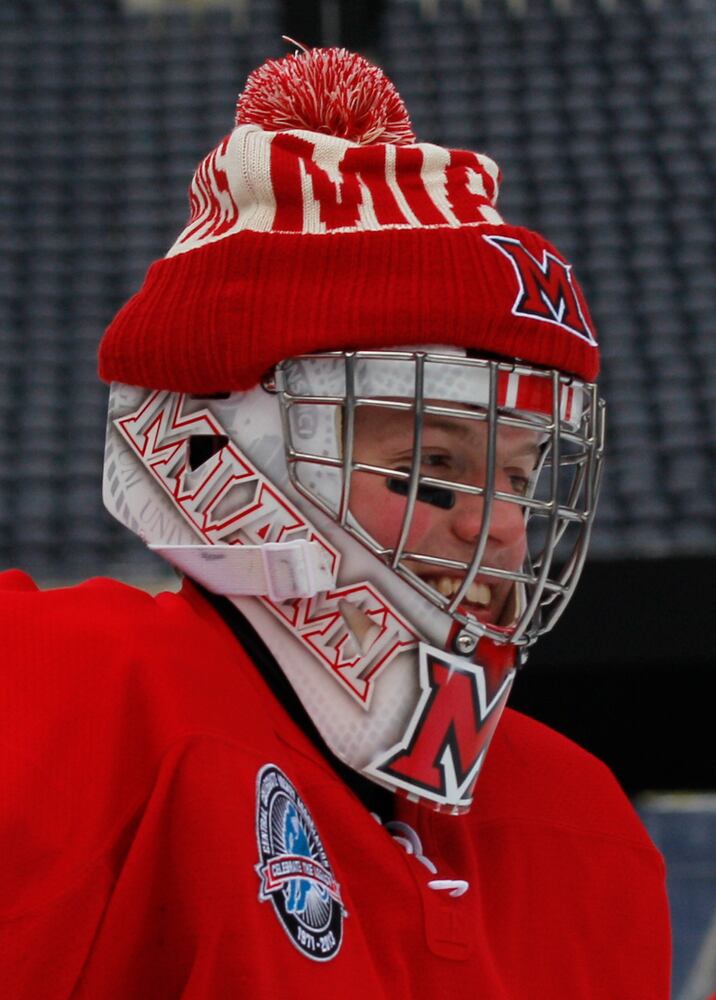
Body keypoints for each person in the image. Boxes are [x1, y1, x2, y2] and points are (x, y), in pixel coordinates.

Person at [1, 45, 670, 998]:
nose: (505, 528)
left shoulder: (584, 824)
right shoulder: (57, 698)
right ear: (222, 446)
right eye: (433, 463)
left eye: (521, 479)